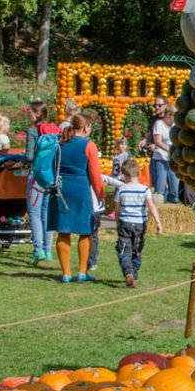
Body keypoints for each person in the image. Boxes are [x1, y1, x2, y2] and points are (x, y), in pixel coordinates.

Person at [47, 114, 104, 283]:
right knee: (85, 231)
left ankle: (65, 273)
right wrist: (100, 194)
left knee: (63, 230)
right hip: (80, 191)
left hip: (61, 190)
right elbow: (95, 175)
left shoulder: (61, 142)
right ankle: (82, 272)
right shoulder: (89, 145)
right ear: (86, 127)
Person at [23, 100, 61, 265]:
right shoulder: (54, 130)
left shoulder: (33, 131)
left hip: (37, 176)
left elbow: (30, 156)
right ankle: (48, 250)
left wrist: (22, 161)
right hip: (51, 177)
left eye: (30, 113)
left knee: (35, 214)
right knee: (47, 214)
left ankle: (38, 250)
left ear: (37, 114)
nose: (28, 115)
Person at [115, 158, 162, 287]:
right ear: (139, 174)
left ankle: (128, 273)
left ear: (124, 175)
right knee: (137, 249)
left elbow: (117, 209)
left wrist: (117, 223)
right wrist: (158, 223)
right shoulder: (145, 190)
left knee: (124, 248)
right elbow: (151, 206)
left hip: (125, 223)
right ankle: (134, 273)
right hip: (140, 225)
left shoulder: (121, 189)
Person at [149, 104, 178, 203]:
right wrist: (170, 150)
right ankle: (160, 205)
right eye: (174, 116)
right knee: (160, 187)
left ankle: (173, 202)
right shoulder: (159, 124)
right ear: (168, 115)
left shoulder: (174, 126)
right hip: (160, 158)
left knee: (174, 187)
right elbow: (158, 142)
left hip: (172, 159)